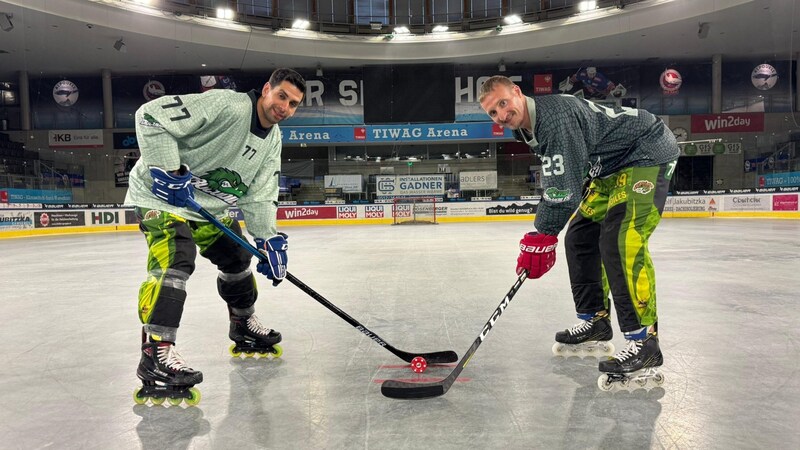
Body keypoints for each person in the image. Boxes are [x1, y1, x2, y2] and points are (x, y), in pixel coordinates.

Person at [479, 75, 678, 384]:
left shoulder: (553, 120)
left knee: (619, 240)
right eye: (493, 113)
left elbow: (563, 191)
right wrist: (548, 233)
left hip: (646, 152)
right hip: (609, 168)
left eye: (504, 104)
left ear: (517, 93)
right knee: (580, 237)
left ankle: (645, 342)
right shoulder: (525, 128)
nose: (502, 116)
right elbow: (568, 171)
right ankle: (596, 321)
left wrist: (542, 235)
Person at [125, 68, 306, 403]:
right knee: (176, 259)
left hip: (206, 205)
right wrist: (166, 169)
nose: (285, 107)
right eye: (282, 96)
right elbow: (150, 114)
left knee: (237, 258)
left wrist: (268, 240)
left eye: (293, 104)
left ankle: (243, 325)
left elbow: (260, 193)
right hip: (162, 198)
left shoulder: (274, 139)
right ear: (266, 89)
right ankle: (156, 351)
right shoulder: (228, 105)